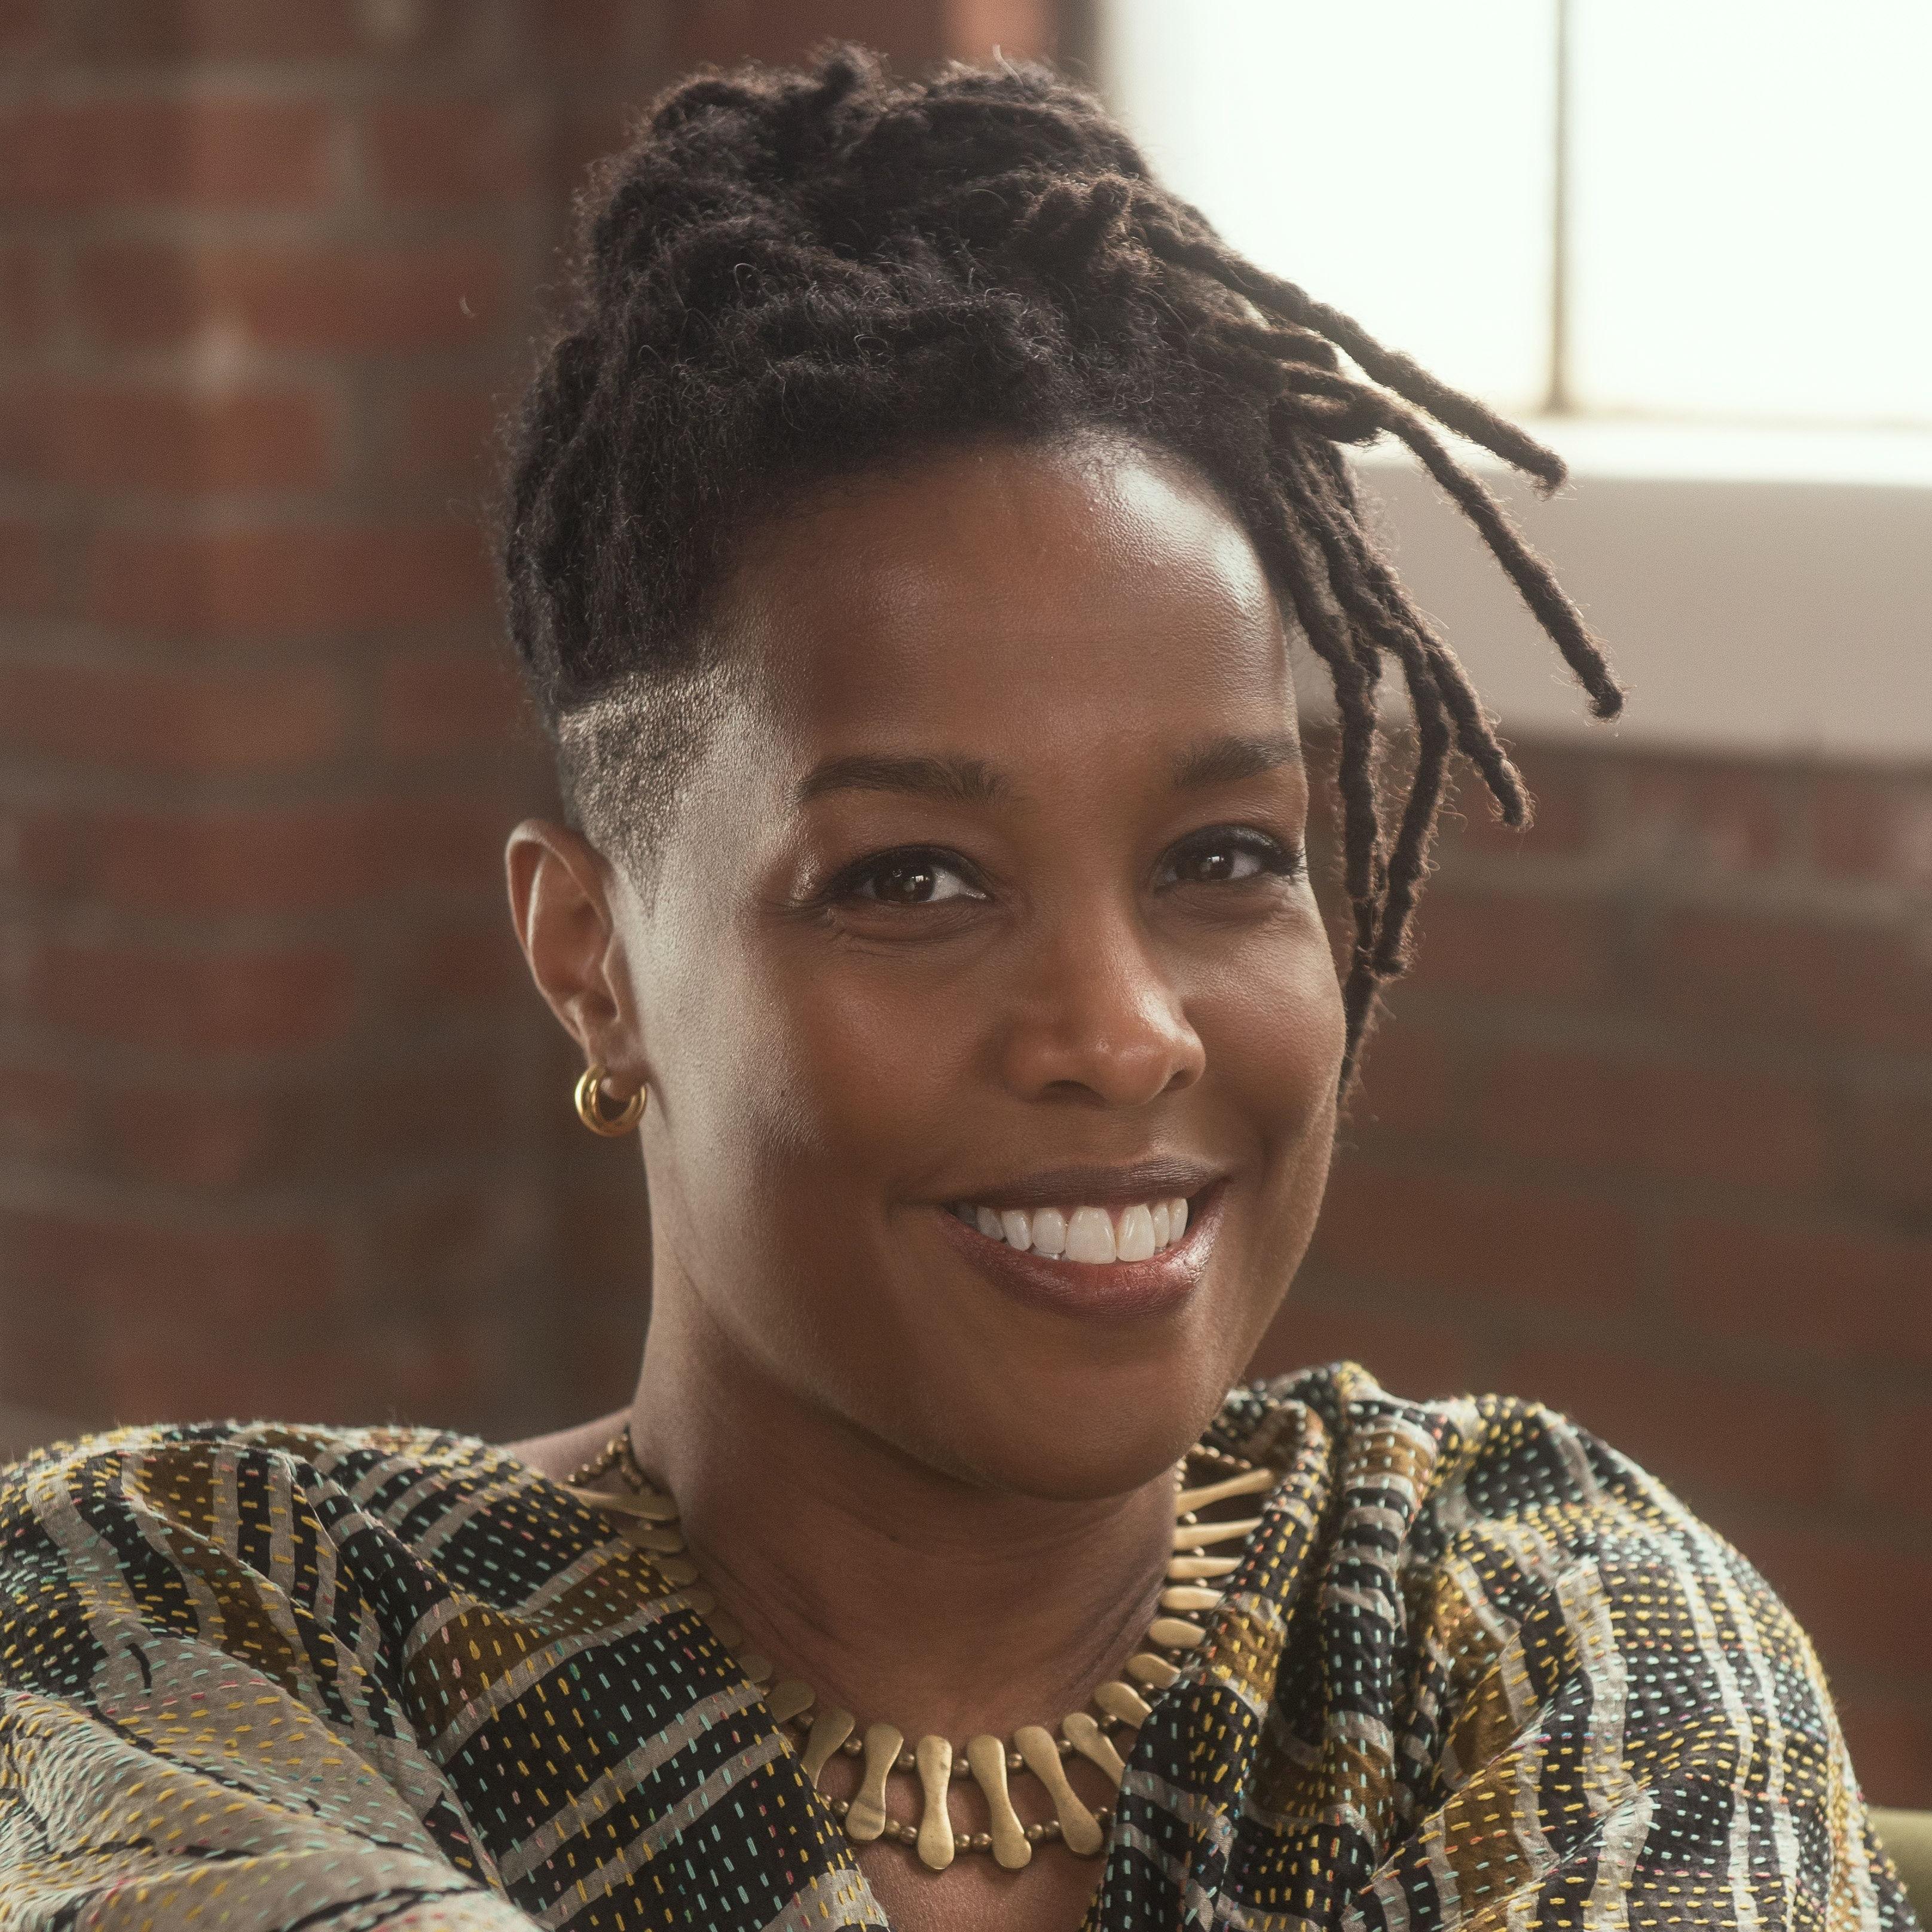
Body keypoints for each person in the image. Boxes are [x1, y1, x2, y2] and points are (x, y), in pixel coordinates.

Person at [0, 48, 1915, 1932]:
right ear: (594, 962)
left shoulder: (1549, 1628)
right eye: (912, 879)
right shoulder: (173, 1624)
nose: (1124, 1032)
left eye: (1222, 859)